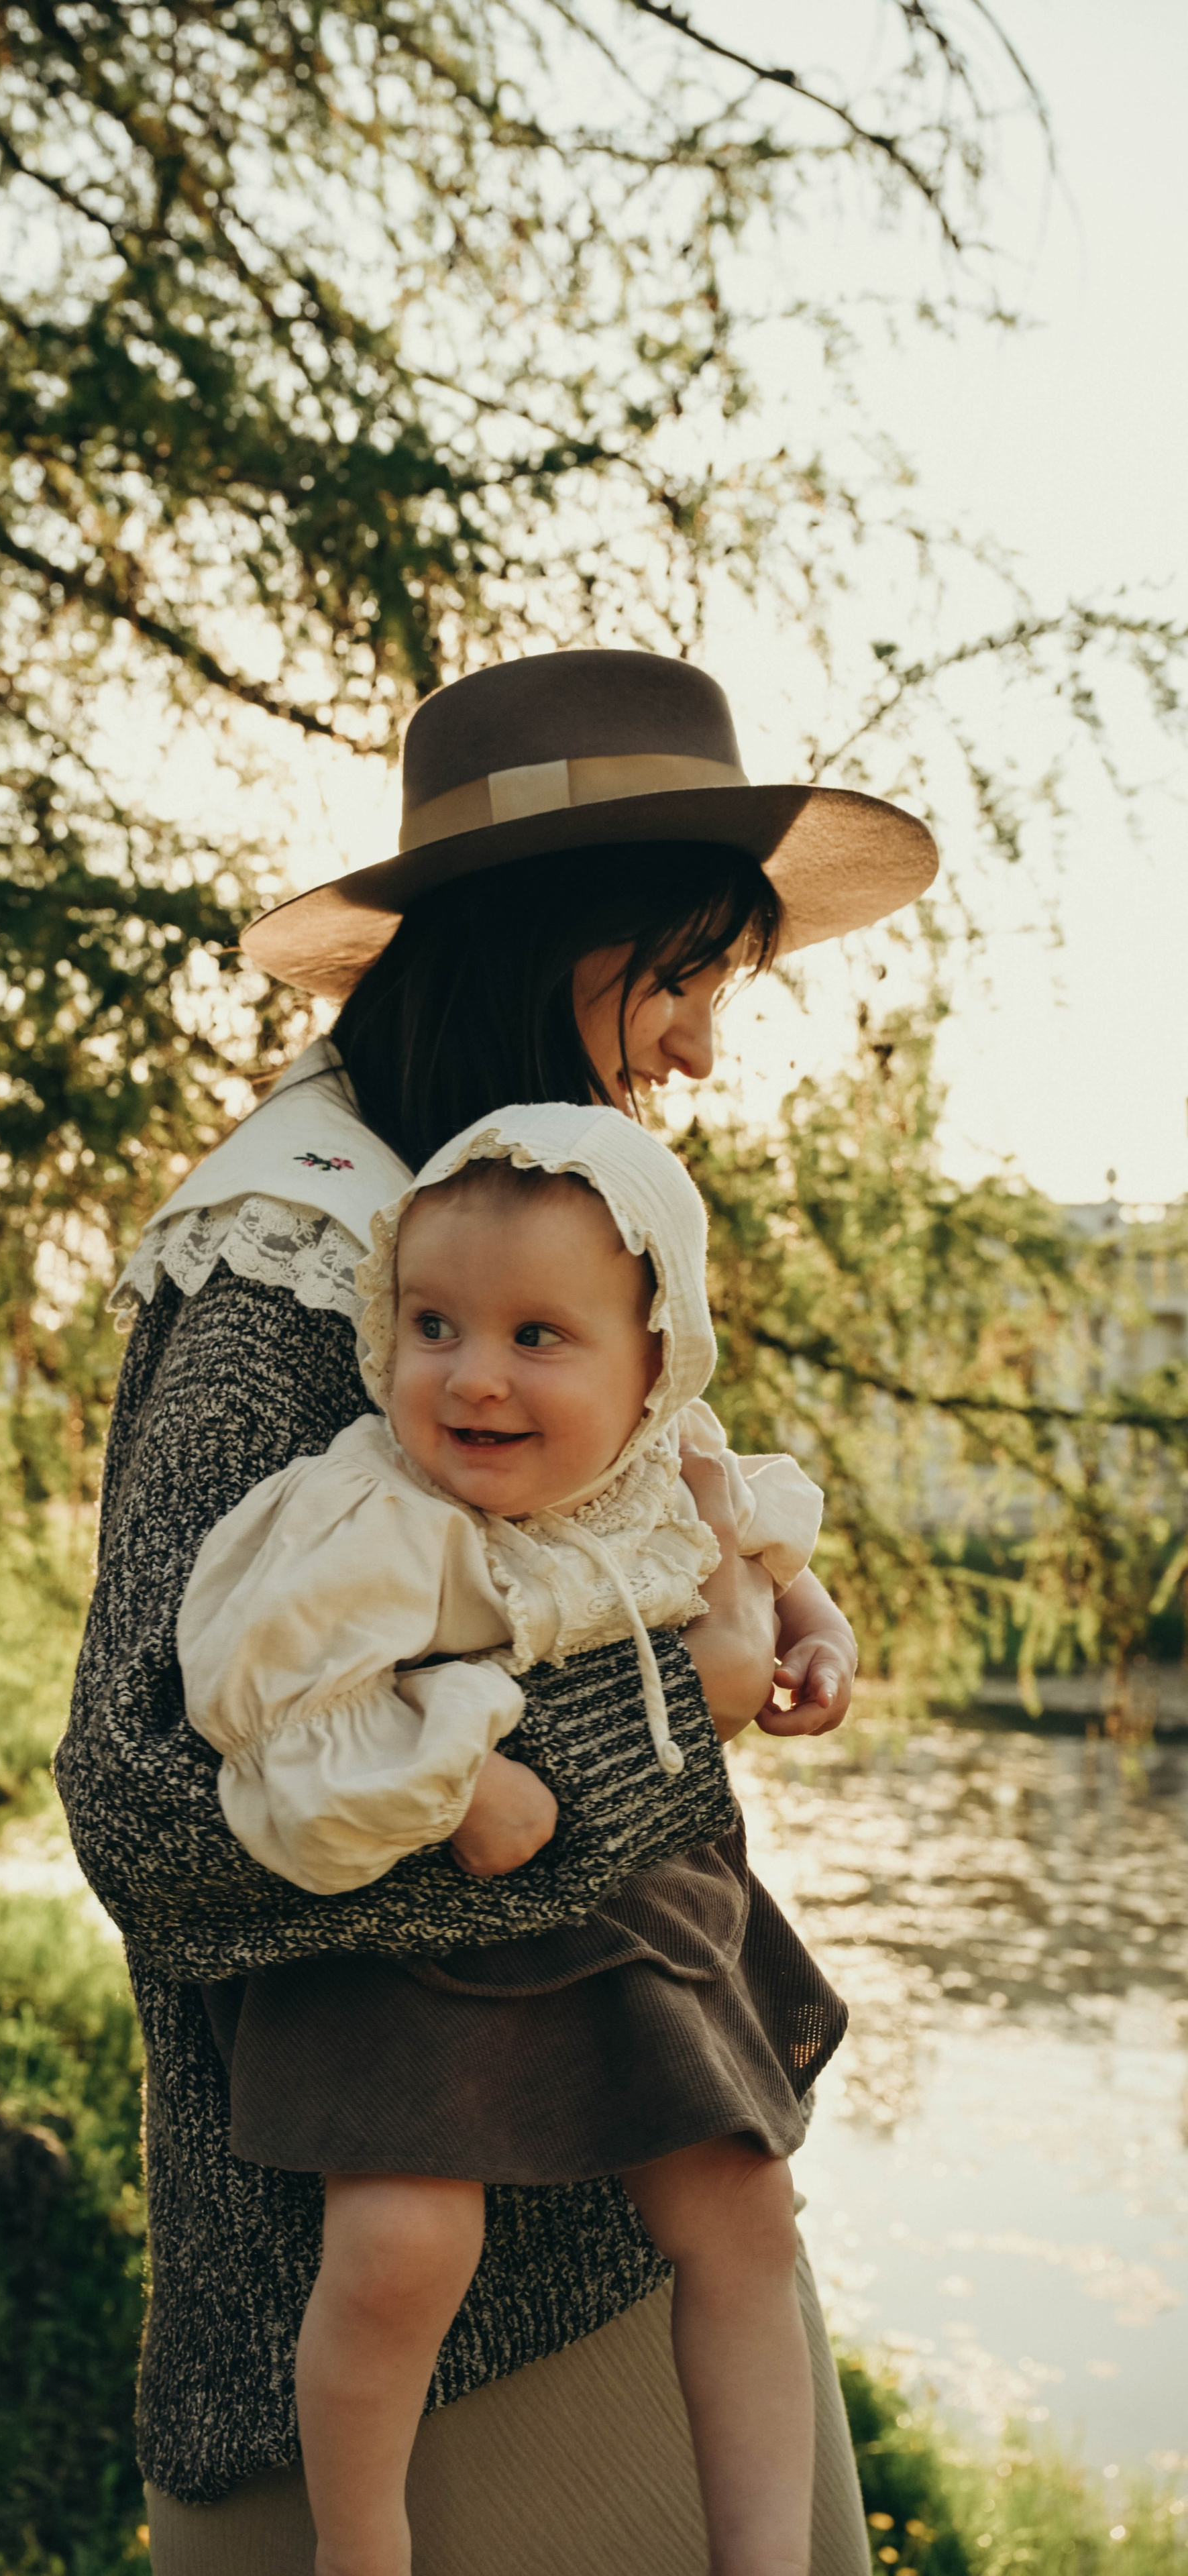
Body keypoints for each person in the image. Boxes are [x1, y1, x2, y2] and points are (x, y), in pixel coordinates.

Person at [55, 647, 937, 2575]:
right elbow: (143, 1820)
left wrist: (774, 1605)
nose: (701, 1046)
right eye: (682, 975)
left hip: (636, 2186)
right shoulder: (280, 1282)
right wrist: (662, 1723)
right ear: (548, 939)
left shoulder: (498, 1216)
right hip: (420, 2314)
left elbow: (601, 1540)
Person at [178, 1104, 843, 2576]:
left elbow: (769, 1548)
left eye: (537, 1338)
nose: (470, 1377)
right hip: (411, 1948)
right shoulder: (365, 1512)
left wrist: (812, 1627)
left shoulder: (670, 1471)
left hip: (634, 1900)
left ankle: (764, 2560)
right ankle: (363, 2556)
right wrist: (462, 1782)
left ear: (655, 1364)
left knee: (740, 2213)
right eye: (432, 1325)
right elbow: (258, 1692)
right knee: (403, 2246)